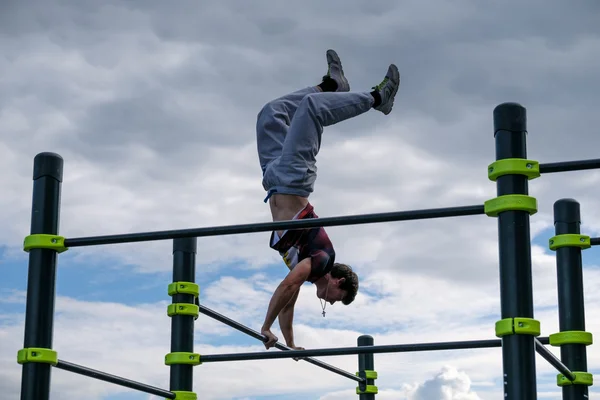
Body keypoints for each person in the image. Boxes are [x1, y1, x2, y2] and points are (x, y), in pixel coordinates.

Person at [255, 50, 400, 351]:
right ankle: (377, 98)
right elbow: (287, 287)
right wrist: (266, 327)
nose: (332, 303)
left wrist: (291, 344)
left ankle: (333, 86)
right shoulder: (323, 260)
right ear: (339, 283)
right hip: (293, 179)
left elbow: (288, 304)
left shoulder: (308, 271)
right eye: (339, 300)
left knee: (270, 114)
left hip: (273, 177)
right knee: (311, 109)